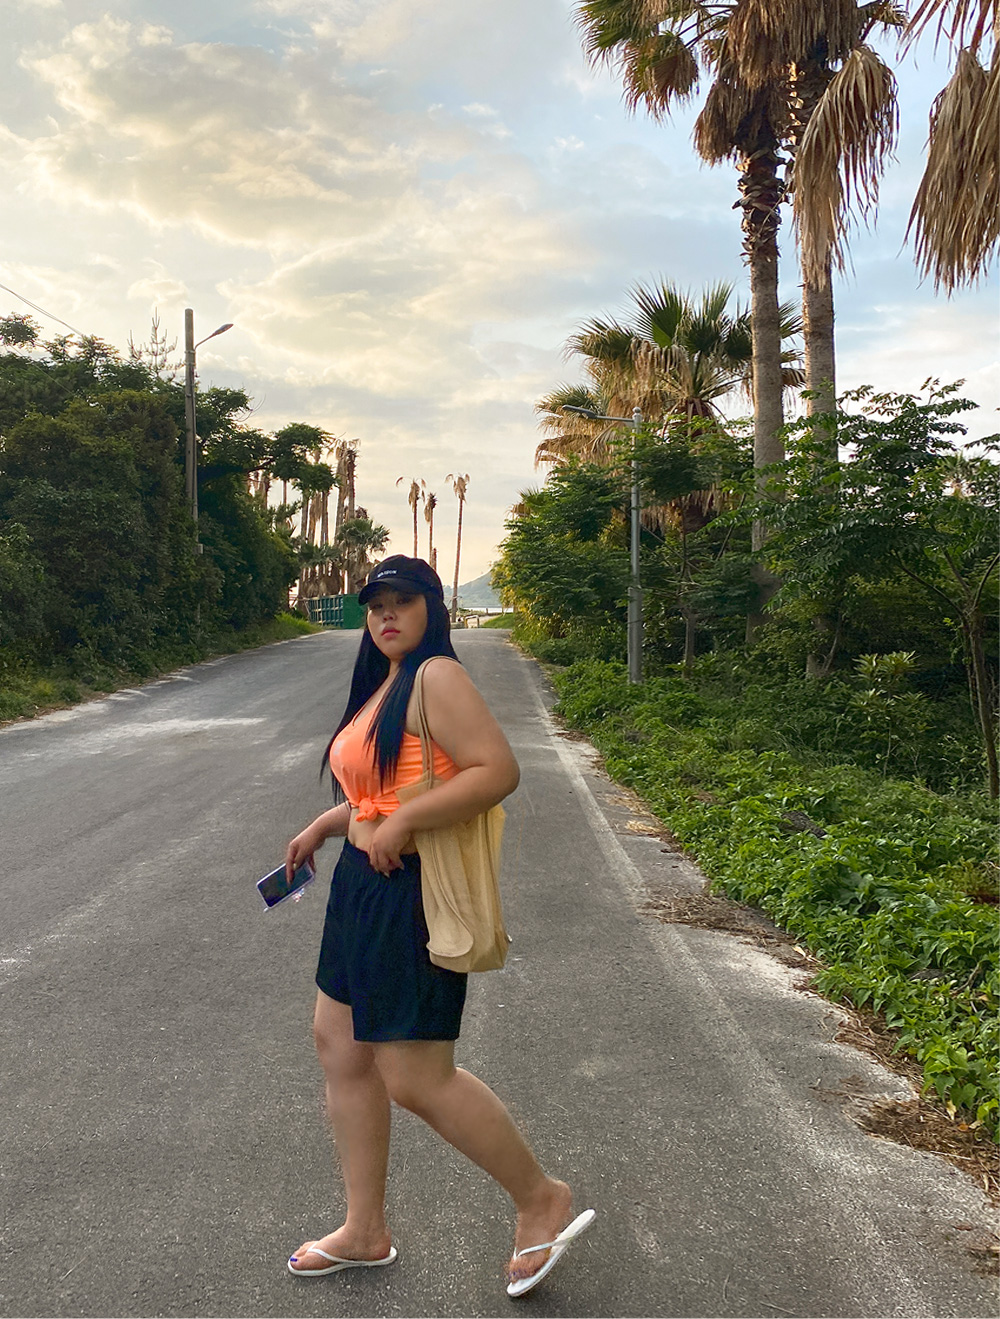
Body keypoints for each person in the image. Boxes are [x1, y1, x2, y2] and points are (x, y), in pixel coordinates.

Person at [283, 555, 594, 1298]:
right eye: (375, 604)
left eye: (402, 600)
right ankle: (364, 1230)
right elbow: (383, 790)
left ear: (432, 607)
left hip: (410, 891)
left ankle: (540, 1196)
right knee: (340, 1047)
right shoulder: (386, 684)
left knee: (417, 1077)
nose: (386, 614)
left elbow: (495, 770)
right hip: (361, 885)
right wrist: (327, 824)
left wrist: (407, 823)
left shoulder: (436, 676)